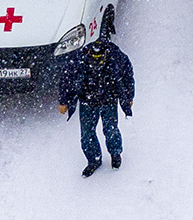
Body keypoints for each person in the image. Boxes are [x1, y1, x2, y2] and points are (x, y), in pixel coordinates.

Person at [56, 37, 136, 177]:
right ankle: (94, 160)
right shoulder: (78, 59)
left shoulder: (116, 56)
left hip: (109, 99)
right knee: (87, 135)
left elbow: (127, 74)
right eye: (93, 57)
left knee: (111, 130)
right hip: (87, 101)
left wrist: (129, 96)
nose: (97, 61)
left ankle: (115, 153)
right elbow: (66, 78)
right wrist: (64, 101)